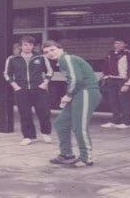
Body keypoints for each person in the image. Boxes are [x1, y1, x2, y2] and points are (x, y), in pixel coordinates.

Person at [42, 40, 101, 168]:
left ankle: (86, 158)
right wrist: (69, 95)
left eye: (52, 50)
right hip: (78, 94)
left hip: (86, 92)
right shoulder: (62, 61)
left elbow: (76, 79)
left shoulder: (66, 58)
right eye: (46, 52)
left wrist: (68, 95)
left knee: (79, 127)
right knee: (61, 123)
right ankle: (66, 154)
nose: (50, 53)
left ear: (60, 48)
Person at [4, 36, 53, 146]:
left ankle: (46, 133)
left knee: (44, 113)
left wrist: (45, 83)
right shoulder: (12, 59)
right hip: (22, 90)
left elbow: (49, 71)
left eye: (30, 45)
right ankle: (28, 136)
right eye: (25, 45)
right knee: (25, 115)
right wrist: (15, 86)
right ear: (20, 46)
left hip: (39, 90)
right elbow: (7, 74)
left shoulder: (41, 57)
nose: (28, 47)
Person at [100, 38, 130, 129]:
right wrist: (105, 76)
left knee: (124, 101)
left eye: (120, 43)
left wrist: (127, 84)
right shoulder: (110, 54)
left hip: (123, 81)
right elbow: (105, 66)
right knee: (113, 101)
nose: (118, 45)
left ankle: (126, 122)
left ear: (125, 44)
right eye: (116, 43)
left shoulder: (129, 54)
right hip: (111, 80)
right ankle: (115, 121)